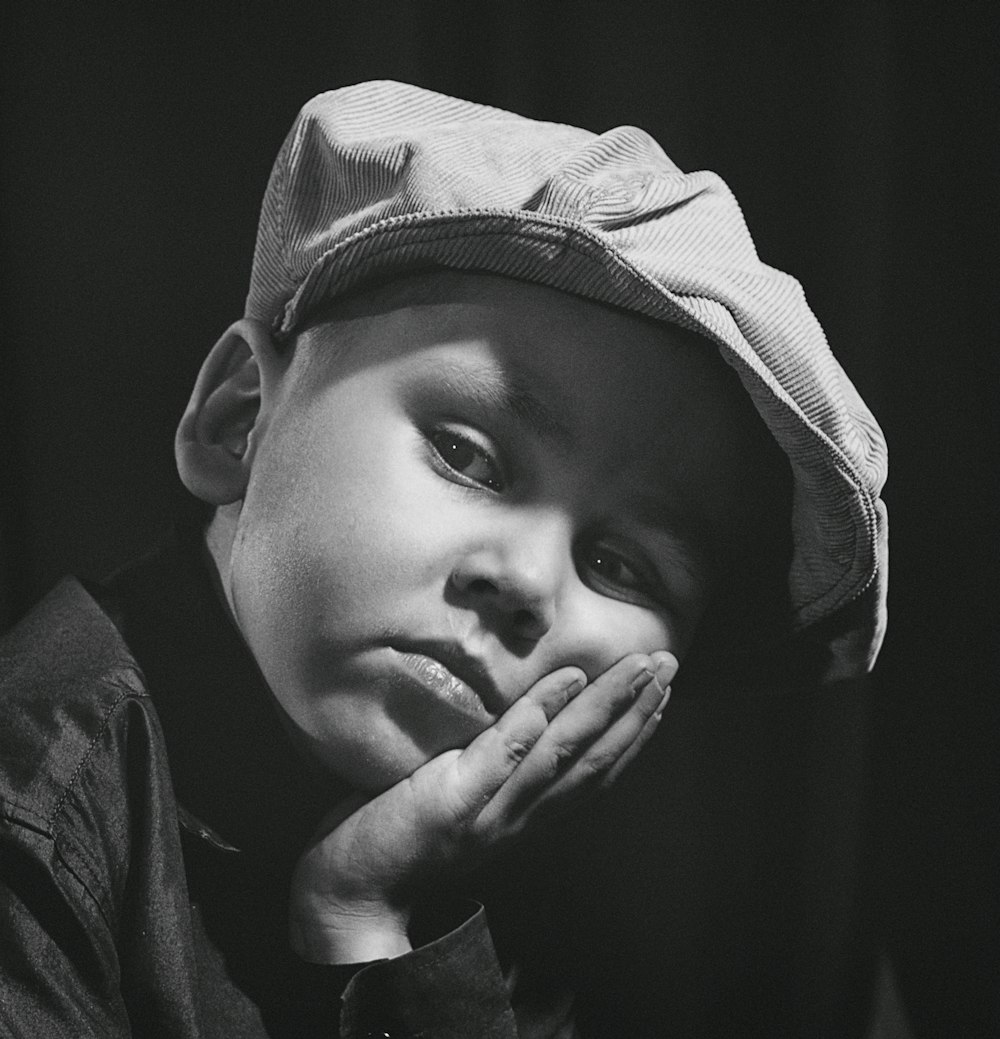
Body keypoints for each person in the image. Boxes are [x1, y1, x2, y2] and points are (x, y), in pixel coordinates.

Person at [0, 81, 887, 1038]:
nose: (526, 583)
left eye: (621, 564)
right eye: (466, 454)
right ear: (239, 418)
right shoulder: (37, 813)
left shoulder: (515, 855)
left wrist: (369, 920)